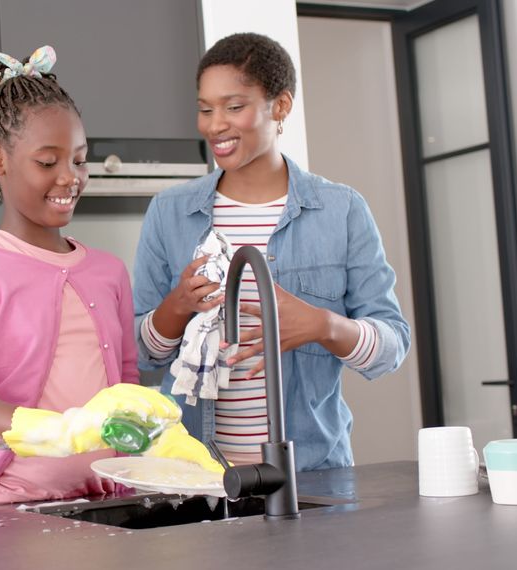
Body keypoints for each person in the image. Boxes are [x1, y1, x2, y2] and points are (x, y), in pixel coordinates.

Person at [0, 46, 219, 510]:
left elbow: (124, 389)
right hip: (5, 507)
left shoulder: (108, 272)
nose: (70, 178)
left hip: (102, 503)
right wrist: (60, 432)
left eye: (79, 160)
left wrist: (170, 450)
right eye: (48, 162)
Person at [133, 33, 411, 470]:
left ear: (279, 106)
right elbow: (142, 355)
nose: (214, 124)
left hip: (313, 474)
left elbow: (392, 347)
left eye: (234, 106)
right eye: (205, 109)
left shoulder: (341, 210)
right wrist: (177, 306)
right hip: (198, 475)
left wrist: (323, 325)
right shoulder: (170, 213)